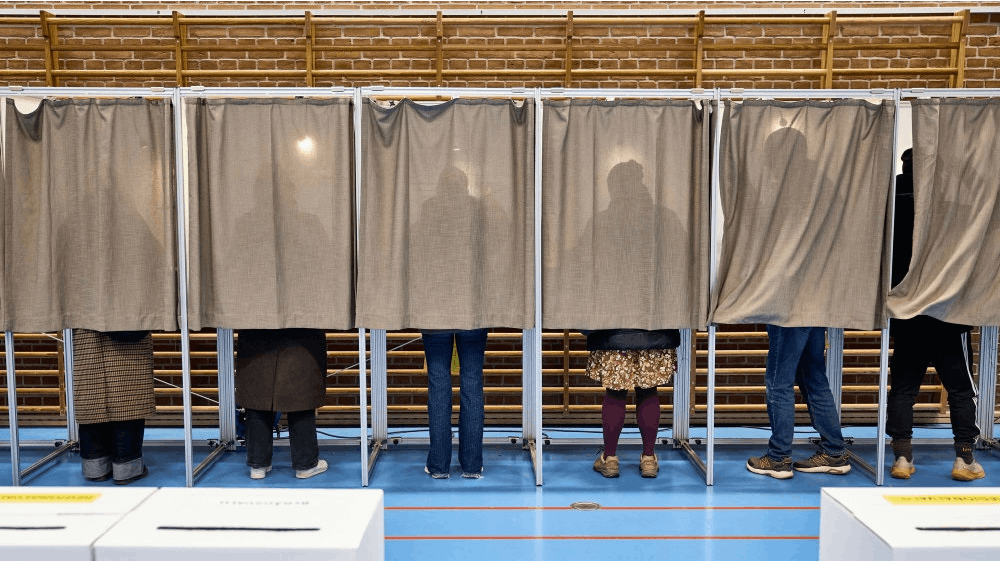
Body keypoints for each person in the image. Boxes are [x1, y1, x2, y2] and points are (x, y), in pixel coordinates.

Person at [886, 148, 984, 481]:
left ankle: (901, 458)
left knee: (903, 388)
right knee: (959, 389)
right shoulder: (952, 203)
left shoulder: (890, 202)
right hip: (947, 313)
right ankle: (965, 459)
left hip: (906, 310)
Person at [746, 326, 851, 479]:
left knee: (779, 381)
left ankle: (778, 458)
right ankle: (833, 452)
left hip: (789, 313)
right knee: (815, 379)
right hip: (815, 312)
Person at [235, 328, 328, 480]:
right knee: (300, 394)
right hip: (301, 329)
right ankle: (305, 464)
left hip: (257, 327)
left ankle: (258, 464)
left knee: (258, 391)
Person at [588, 329, 678, 478]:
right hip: (653, 335)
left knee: (615, 392)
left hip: (615, 334)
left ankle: (609, 460)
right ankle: (648, 460)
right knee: (648, 391)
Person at [74, 329, 154, 485]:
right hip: (130, 339)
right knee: (128, 402)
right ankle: (126, 468)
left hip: (88, 338)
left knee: (92, 398)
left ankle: (95, 468)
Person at [422, 329, 489, 479]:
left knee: (438, 383)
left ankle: (439, 467)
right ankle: (472, 466)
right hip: (473, 317)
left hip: (435, 318)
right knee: (472, 382)